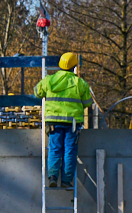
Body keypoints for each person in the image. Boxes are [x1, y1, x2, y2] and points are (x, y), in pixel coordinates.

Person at [35, 52, 93, 188]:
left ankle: (53, 177)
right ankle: (66, 180)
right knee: (70, 150)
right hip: (72, 123)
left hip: (53, 122)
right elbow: (88, 102)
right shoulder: (80, 83)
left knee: (54, 149)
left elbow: (37, 92)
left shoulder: (49, 80)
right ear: (74, 67)